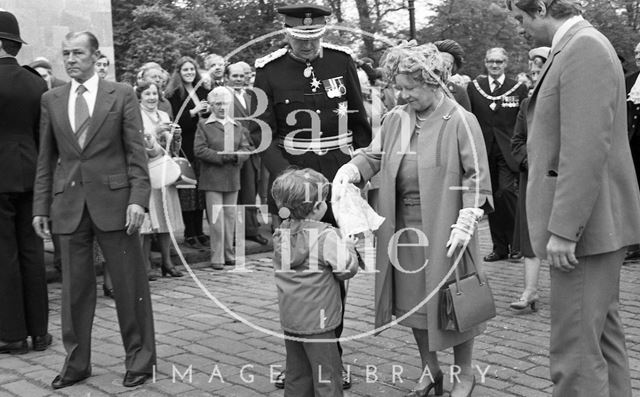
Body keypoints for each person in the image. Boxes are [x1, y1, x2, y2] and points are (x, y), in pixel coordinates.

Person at [334, 42, 493, 397]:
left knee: (456, 302)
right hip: (403, 228)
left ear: (434, 82)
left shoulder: (460, 120)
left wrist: (469, 215)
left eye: (409, 88)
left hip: (448, 227)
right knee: (413, 305)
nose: (401, 94)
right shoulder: (396, 119)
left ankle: (464, 373)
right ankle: (430, 369)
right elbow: (374, 156)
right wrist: (352, 169)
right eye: (397, 87)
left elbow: (477, 176)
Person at [507, 1, 640, 396]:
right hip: (596, 225)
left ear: (544, 7)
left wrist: (565, 229)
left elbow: (584, 148)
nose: (519, 28)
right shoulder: (580, 45)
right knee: (601, 339)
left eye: (521, 17)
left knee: (575, 357)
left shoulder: (583, 47)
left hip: (585, 230)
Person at [252, 3, 371, 389]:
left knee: (336, 269)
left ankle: (330, 358)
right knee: (296, 271)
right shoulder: (267, 71)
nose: (308, 45)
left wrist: (362, 172)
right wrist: (287, 177)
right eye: (300, 38)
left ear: (323, 32)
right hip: (291, 181)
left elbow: (359, 123)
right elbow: (261, 132)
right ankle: (300, 360)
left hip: (337, 180)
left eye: (315, 37)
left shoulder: (341, 62)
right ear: (285, 32)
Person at [32, 31, 156, 389]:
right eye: (65, 53)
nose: (70, 59)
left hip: (117, 204)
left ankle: (140, 359)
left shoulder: (122, 94)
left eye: (78, 53)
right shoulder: (51, 99)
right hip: (68, 204)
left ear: (95, 56)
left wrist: (138, 198)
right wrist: (41, 205)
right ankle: (76, 362)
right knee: (74, 290)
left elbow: (136, 153)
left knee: (129, 284)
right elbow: (45, 158)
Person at [272, 168, 359, 397]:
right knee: (327, 375)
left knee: (297, 374)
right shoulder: (326, 236)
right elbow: (346, 270)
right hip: (320, 322)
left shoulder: (281, 232)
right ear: (317, 208)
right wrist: (349, 249)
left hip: (291, 319)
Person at [0, 9, 51, 355]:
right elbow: (41, 134)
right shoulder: (37, 82)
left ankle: (12, 335)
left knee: (4, 255)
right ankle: (40, 332)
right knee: (32, 252)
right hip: (31, 173)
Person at [467, 47, 528, 262]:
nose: (495, 65)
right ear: (485, 62)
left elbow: (524, 122)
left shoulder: (518, 88)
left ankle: (516, 244)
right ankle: (499, 247)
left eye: (499, 62)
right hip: (483, 150)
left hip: (508, 152)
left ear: (506, 63)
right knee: (490, 199)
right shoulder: (474, 88)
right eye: (491, 61)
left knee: (506, 193)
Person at [509, 46, 550, 312]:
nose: (535, 76)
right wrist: (530, 162)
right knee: (530, 234)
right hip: (531, 176)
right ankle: (530, 290)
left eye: (540, 70)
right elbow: (517, 141)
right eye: (533, 72)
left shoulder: (568, 98)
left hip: (562, 176)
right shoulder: (526, 104)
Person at [194, 87, 253, 269]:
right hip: (212, 178)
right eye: (217, 104)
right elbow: (199, 150)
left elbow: (247, 148)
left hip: (232, 177)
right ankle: (217, 257)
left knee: (229, 218)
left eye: (225, 103)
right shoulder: (203, 125)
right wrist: (222, 156)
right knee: (216, 220)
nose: (221, 107)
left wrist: (236, 156)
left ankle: (229, 254)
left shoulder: (237, 125)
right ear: (211, 105)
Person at [137, 80, 184, 278]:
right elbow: (137, 144)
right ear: (139, 97)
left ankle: (167, 262)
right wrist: (156, 133)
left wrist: (176, 135)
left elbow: (173, 147)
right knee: (148, 223)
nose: (151, 97)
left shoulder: (164, 115)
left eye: (154, 93)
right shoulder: (136, 117)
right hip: (147, 173)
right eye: (147, 94)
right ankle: (145, 264)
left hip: (165, 172)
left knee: (166, 220)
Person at [165, 56, 210, 249]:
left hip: (202, 143)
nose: (190, 72)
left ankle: (200, 230)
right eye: (185, 70)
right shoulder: (174, 94)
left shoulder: (202, 90)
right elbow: (175, 121)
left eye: (192, 69)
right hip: (185, 145)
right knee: (188, 192)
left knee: (200, 192)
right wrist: (193, 112)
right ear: (179, 72)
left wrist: (206, 110)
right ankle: (189, 232)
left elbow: (208, 114)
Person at [227, 62, 268, 246]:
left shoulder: (252, 96)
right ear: (228, 77)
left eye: (241, 76)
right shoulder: (223, 95)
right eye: (234, 76)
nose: (238, 79)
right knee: (234, 191)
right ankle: (233, 232)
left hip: (252, 148)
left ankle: (251, 230)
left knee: (250, 191)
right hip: (233, 148)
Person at [624, 41, 640, 260]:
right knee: (634, 191)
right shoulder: (629, 80)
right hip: (632, 143)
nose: (637, 56)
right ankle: (636, 243)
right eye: (636, 52)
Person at [434, 39, 471, 111]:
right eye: (440, 63)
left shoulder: (460, 92)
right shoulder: (417, 88)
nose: (443, 69)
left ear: (453, 68)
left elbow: (466, 120)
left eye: (448, 66)